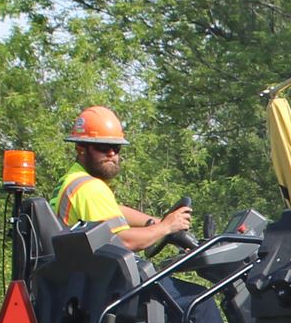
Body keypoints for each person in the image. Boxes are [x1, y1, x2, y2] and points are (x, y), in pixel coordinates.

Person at [52, 105, 194, 254]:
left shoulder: (73, 180)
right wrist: (166, 227)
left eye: (116, 147)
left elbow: (113, 209)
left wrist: (155, 222)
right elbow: (122, 242)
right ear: (81, 149)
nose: (111, 153)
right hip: (85, 267)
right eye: (103, 147)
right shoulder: (90, 188)